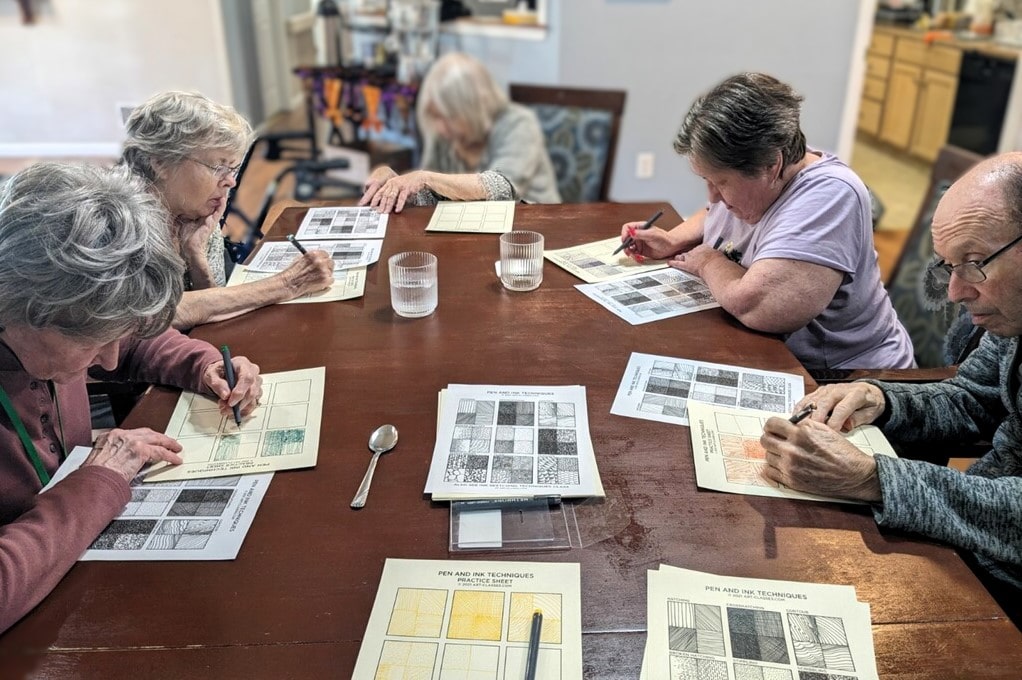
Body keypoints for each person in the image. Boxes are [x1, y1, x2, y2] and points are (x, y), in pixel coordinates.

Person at [0, 163, 263, 633]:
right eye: (93, 342)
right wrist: (98, 482)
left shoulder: (56, 327)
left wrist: (202, 365)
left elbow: (129, 343)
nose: (107, 360)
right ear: (21, 307)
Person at [760, 153, 1022, 618]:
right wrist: (881, 399)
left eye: (974, 263)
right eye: (949, 266)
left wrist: (874, 479)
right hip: (970, 544)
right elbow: (972, 399)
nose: (956, 293)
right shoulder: (1014, 320)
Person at [620, 73, 913, 370]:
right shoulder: (759, 184)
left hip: (847, 376)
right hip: (767, 354)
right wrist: (673, 239)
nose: (713, 196)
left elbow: (759, 307)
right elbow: (714, 212)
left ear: (772, 165)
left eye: (721, 182)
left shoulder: (831, 195)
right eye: (707, 180)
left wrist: (708, 262)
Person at [121, 91, 334, 329]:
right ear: (160, 162)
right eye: (218, 167)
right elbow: (153, 316)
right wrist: (288, 283)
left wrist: (196, 258)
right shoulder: (120, 223)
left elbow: (211, 313)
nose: (231, 182)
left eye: (233, 168)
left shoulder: (195, 211)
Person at [360, 52, 561, 213]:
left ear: (470, 107)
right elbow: (430, 195)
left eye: (447, 117)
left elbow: (502, 188)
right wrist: (394, 184)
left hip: (537, 228)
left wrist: (425, 178)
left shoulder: (518, 124)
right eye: (436, 117)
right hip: (477, 232)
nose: (440, 127)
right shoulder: (446, 135)